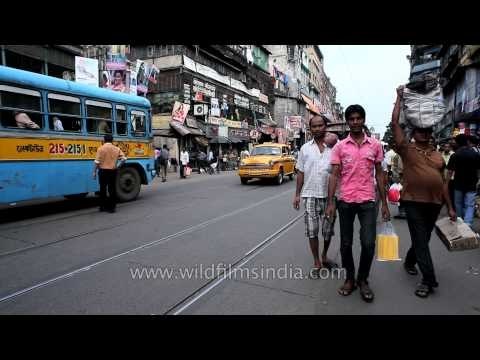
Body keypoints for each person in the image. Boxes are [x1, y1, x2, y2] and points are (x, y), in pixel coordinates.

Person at [392, 86, 456, 298]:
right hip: (412, 202)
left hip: (434, 204)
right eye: (421, 130)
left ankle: (411, 260)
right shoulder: (407, 149)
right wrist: (399, 98)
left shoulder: (438, 155)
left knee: (424, 239)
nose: (425, 133)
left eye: (428, 131)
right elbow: (395, 124)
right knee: (421, 239)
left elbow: (444, 183)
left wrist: (451, 207)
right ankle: (428, 280)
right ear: (414, 132)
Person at [325, 104, 389, 303]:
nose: (354, 122)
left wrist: (385, 204)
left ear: (363, 120)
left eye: (358, 118)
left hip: (368, 201)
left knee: (369, 243)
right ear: (347, 121)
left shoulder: (375, 145)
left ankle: (363, 279)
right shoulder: (340, 147)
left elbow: (379, 174)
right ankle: (350, 279)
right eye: (351, 119)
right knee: (345, 243)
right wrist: (330, 203)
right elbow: (334, 175)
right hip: (345, 200)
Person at [293, 115, 337, 274]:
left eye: (320, 125)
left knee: (327, 231)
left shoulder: (335, 147)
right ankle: (317, 261)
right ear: (310, 129)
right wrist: (297, 194)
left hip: (329, 197)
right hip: (310, 195)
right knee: (312, 231)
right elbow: (300, 173)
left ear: (326, 126)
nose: (317, 129)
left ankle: (324, 255)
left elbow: (337, 173)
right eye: (314, 126)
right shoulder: (305, 148)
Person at [446, 134, 480, 228]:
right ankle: (468, 223)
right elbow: (478, 170)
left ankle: (460, 222)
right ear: (467, 142)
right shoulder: (475, 154)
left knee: (458, 204)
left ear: (457, 143)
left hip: (458, 184)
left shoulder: (455, 155)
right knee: (470, 205)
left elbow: (449, 172)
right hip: (472, 183)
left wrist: (446, 183)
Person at [92, 134, 127, 213]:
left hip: (103, 171)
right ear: (112, 140)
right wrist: (117, 166)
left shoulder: (100, 149)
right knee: (112, 189)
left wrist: (94, 172)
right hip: (112, 171)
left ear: (104, 140)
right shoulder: (117, 148)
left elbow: (97, 162)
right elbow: (124, 159)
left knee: (102, 189)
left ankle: (102, 207)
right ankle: (112, 208)